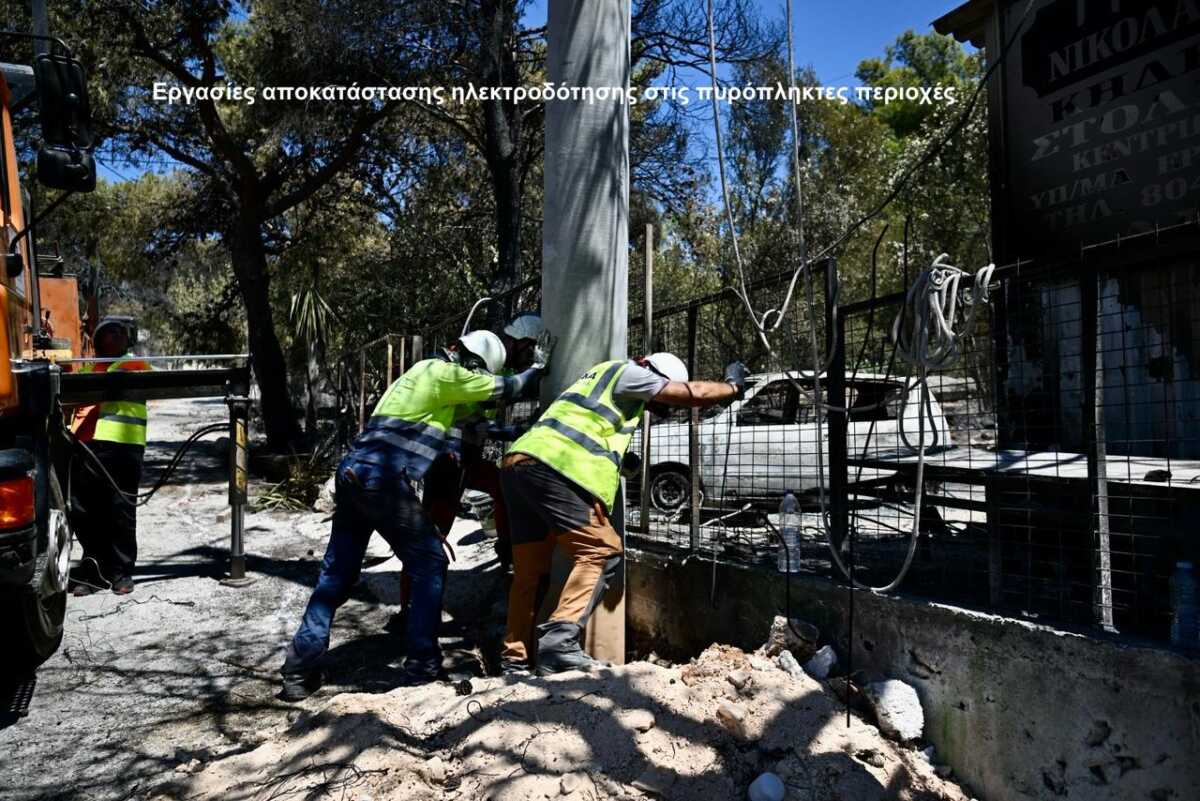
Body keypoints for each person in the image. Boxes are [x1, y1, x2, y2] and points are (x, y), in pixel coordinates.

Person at [281, 329, 552, 700]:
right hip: (382, 478)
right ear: (472, 362)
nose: (478, 378)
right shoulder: (442, 373)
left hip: (353, 474)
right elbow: (502, 390)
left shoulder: (421, 381)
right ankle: (423, 664)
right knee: (430, 561)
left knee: (337, 574)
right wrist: (536, 369)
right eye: (479, 371)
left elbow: (477, 425)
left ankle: (298, 669)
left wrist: (525, 430)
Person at [500, 353, 748, 675]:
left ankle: (514, 659)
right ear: (652, 372)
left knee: (529, 575)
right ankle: (558, 645)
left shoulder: (597, 381)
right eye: (659, 401)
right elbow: (694, 393)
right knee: (602, 551)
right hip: (554, 468)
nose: (656, 408)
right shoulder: (629, 373)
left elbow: (586, 428)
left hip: (519, 465)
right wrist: (732, 386)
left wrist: (621, 460)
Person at [68, 318, 151, 596]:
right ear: (97, 341)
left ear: (127, 340)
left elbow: (119, 384)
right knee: (86, 511)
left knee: (121, 510)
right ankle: (94, 571)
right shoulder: (93, 367)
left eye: (117, 334)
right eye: (105, 334)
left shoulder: (133, 364)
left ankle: (121, 572)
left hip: (123, 446)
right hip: (89, 447)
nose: (110, 338)